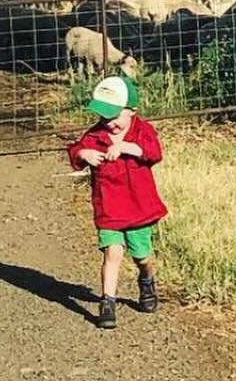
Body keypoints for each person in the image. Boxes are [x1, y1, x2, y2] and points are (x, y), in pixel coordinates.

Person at [66, 73, 167, 329]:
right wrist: (83, 154)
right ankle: (107, 302)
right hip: (109, 207)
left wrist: (127, 147)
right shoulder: (95, 136)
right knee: (113, 253)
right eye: (104, 117)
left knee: (142, 255)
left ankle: (146, 280)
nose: (108, 123)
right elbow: (75, 151)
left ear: (131, 111)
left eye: (114, 116)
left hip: (137, 207)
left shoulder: (142, 132)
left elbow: (154, 153)